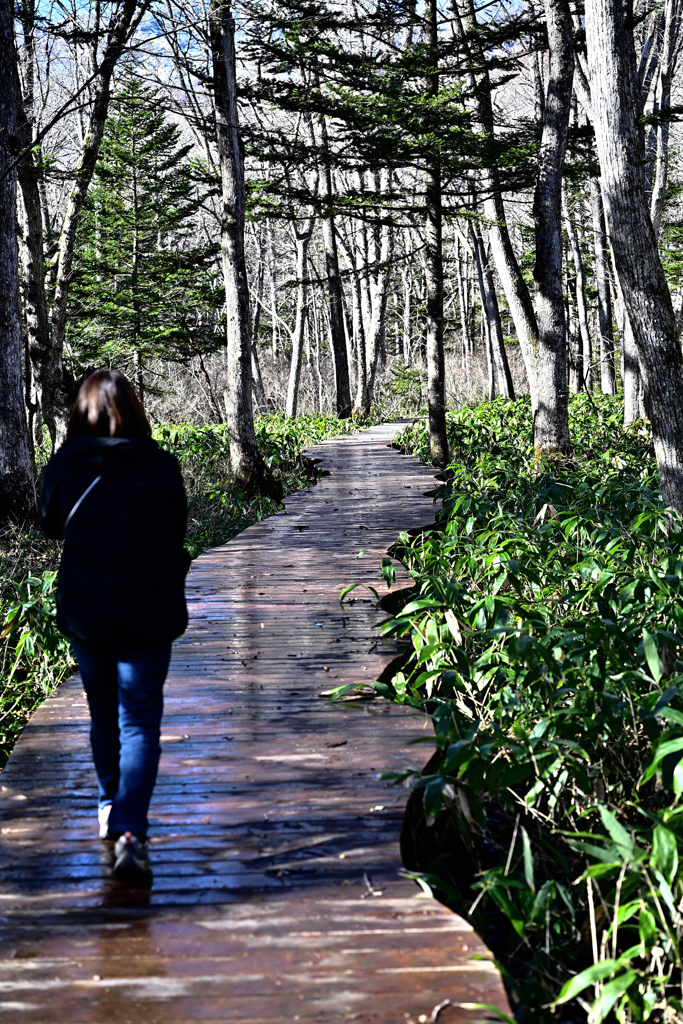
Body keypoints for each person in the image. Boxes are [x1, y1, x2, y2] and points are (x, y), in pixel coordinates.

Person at [40, 370, 190, 885]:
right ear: (135, 410)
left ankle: (111, 807)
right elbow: (177, 531)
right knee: (140, 722)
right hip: (151, 612)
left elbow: (50, 525)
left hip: (88, 613)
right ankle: (131, 831)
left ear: (79, 414)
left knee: (104, 715)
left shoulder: (63, 468)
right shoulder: (161, 465)